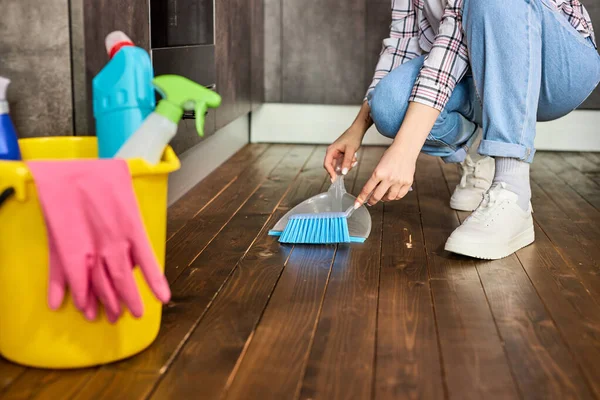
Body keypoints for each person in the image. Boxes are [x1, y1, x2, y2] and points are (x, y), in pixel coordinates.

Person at [324, 0, 600, 260]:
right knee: (389, 106)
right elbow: (402, 44)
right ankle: (480, 150)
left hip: (555, 67)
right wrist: (358, 126)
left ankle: (513, 191)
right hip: (476, 73)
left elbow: (452, 46)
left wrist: (405, 150)